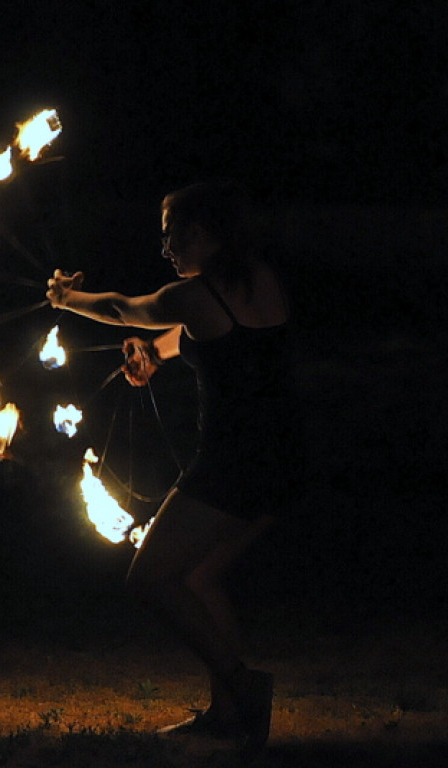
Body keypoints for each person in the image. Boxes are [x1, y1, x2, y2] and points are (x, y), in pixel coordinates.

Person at [47, 180, 301, 755]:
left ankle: (243, 686)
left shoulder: (193, 296)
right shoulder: (259, 278)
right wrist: (154, 354)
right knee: (199, 576)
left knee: (150, 578)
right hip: (283, 460)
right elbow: (210, 336)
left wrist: (67, 300)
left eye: (172, 236)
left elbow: (121, 308)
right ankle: (230, 714)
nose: (165, 249)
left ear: (204, 233)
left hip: (232, 465)